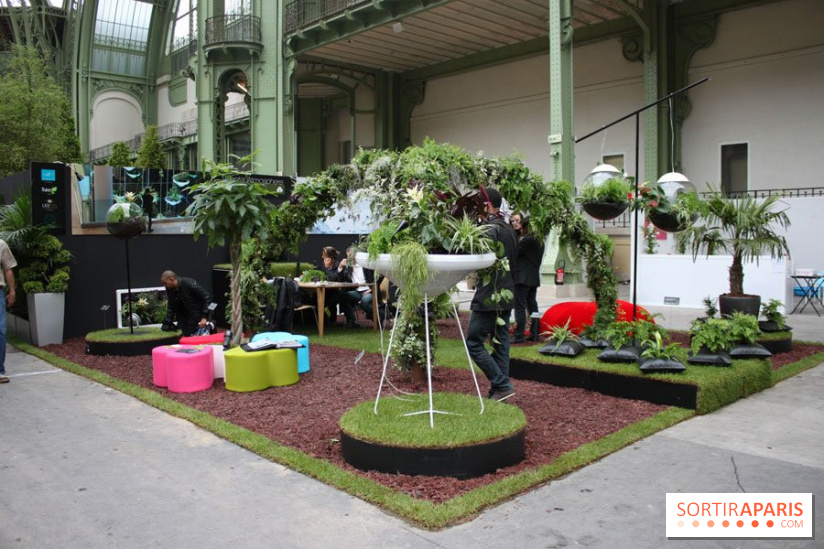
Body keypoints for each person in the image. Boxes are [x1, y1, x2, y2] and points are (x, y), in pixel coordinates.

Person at [466, 188, 519, 401]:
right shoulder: (508, 229)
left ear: (487, 205)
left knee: (473, 342)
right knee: (500, 343)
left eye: (478, 204)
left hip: (489, 295)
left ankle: (502, 384)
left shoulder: (489, 229)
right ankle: (500, 391)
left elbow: (478, 257)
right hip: (506, 294)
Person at [510, 213, 545, 343]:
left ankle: (518, 335)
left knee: (519, 307)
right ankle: (535, 333)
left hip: (522, 278)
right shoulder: (540, 240)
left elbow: (515, 253)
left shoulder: (526, 240)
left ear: (526, 227)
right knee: (533, 307)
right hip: (533, 278)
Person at [160, 270, 212, 336]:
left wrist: (204, 317)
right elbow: (171, 305)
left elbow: (207, 297)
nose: (164, 285)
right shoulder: (170, 289)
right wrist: (167, 323)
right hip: (183, 319)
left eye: (165, 283)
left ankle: (211, 326)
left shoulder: (189, 284)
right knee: (181, 336)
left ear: (171, 279)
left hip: (196, 317)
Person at [320, 246, 359, 328]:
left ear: (329, 257)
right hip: (328, 290)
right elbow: (319, 273)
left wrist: (328, 268)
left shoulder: (338, 265)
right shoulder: (324, 264)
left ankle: (336, 320)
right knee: (317, 298)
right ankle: (327, 319)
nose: (322, 257)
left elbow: (334, 279)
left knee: (336, 297)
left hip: (339, 290)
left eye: (324, 255)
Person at [338, 246, 375, 319]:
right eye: (349, 255)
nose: (351, 257)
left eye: (353, 255)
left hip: (369, 290)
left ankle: (380, 315)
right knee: (342, 296)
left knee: (365, 301)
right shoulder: (349, 267)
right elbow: (342, 279)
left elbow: (378, 276)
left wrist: (372, 288)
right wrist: (340, 267)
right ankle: (352, 321)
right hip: (357, 291)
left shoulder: (366, 264)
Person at [0, 239, 17, 384]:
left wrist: (12, 291)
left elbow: (8, 269)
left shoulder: (1, 244)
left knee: (1, 330)